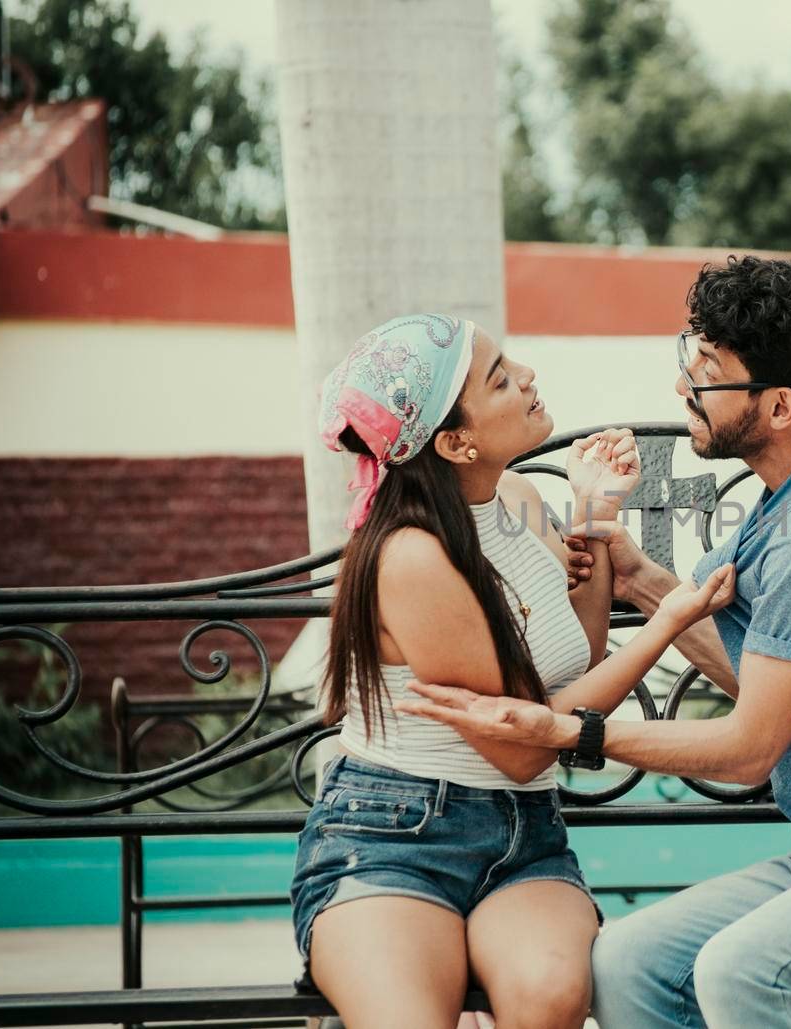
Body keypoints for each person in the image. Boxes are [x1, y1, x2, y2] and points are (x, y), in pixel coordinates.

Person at [396, 257, 791, 1028]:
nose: (681, 388)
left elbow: (748, 748)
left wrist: (569, 730)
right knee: (626, 964)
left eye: (706, 370)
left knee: (744, 972)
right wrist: (636, 577)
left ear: (776, 407)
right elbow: (762, 678)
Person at [290, 312, 736, 1029]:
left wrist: (591, 515)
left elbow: (572, 663)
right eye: (500, 378)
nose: (526, 377)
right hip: (391, 836)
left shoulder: (520, 501)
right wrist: (667, 622)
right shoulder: (411, 557)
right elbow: (527, 746)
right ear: (456, 442)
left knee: (551, 995)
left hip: (521, 833)